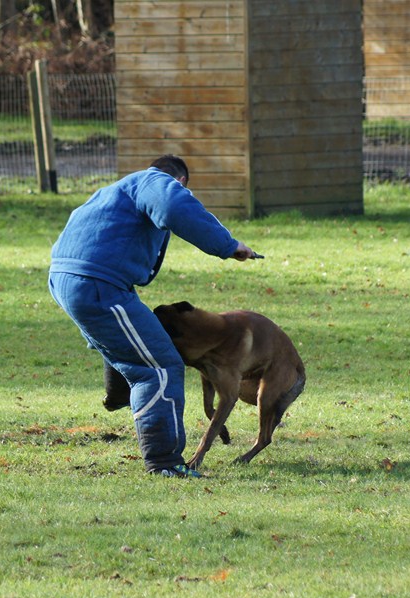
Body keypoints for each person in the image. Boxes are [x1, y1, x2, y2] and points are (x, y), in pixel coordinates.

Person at [48, 155, 257, 478]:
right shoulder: (155, 183)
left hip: (67, 279)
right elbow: (174, 208)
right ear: (181, 182)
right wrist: (227, 245)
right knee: (160, 366)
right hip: (97, 284)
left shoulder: (112, 190)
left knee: (137, 334)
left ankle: (118, 392)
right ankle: (164, 462)